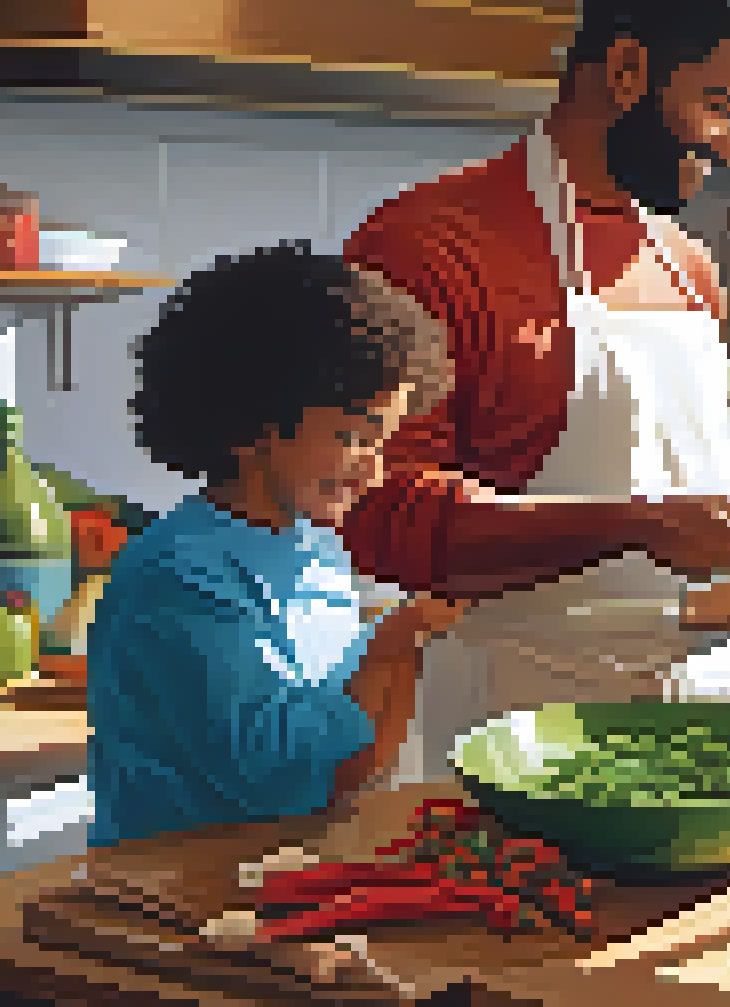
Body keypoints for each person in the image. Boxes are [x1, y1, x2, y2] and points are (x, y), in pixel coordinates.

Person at [340, 0, 730, 773]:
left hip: (695, 716)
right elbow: (376, 512)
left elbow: (607, 454)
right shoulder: (427, 247)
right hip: (508, 727)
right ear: (627, 68)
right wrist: (638, 523)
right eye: (721, 108)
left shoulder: (688, 267)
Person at [88, 241, 459, 846]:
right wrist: (390, 651)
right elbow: (270, 777)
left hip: (281, 873)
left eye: (384, 441)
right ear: (245, 427)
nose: (374, 469)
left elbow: (343, 761)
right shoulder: (181, 577)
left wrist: (399, 643)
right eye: (352, 436)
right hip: (169, 891)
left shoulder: (318, 548)